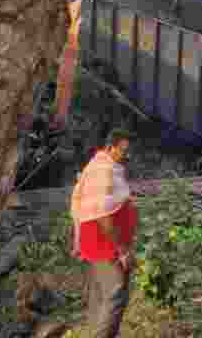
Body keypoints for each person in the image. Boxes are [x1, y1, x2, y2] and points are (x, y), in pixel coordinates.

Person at [69, 128, 138, 338]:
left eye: (128, 150)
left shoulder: (104, 167)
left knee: (101, 295)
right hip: (104, 242)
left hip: (101, 241)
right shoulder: (103, 170)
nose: (126, 154)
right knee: (115, 292)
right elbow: (101, 214)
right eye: (122, 150)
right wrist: (123, 249)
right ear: (110, 147)